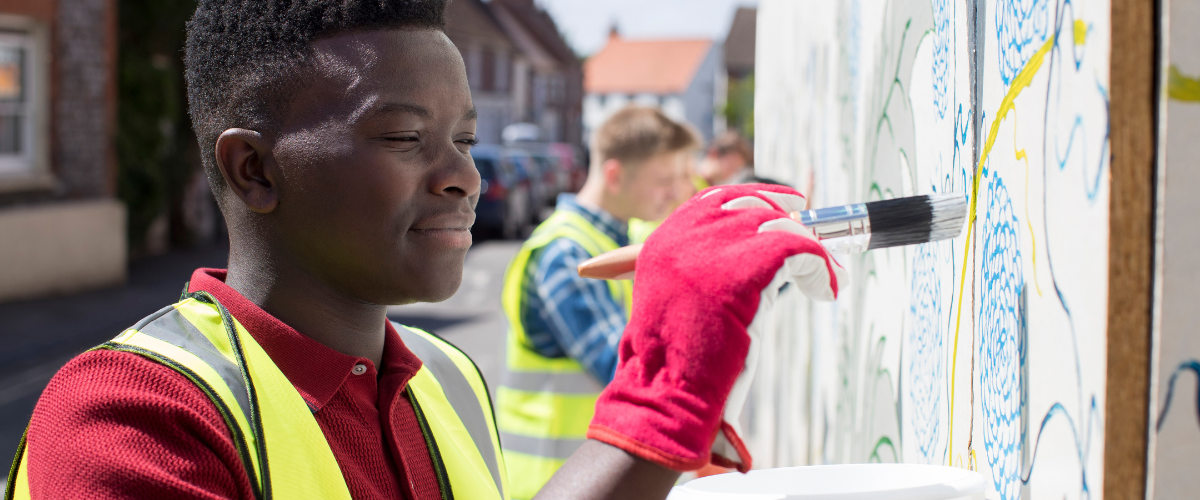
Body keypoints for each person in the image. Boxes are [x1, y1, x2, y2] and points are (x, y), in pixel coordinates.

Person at [8, 2, 846, 500]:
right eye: (406, 137)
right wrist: (656, 406)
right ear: (254, 168)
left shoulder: (445, 380)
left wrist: (653, 452)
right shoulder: (123, 417)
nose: (464, 176)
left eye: (467, 138)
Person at [498, 106, 699, 498]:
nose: (679, 192)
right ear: (614, 175)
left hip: (598, 481)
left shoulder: (626, 237)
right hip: (555, 483)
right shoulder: (566, 255)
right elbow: (630, 373)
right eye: (664, 180)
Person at [697, 130, 783, 186]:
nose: (731, 174)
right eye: (730, 166)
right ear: (714, 153)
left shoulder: (707, 187)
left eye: (735, 170)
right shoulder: (691, 186)